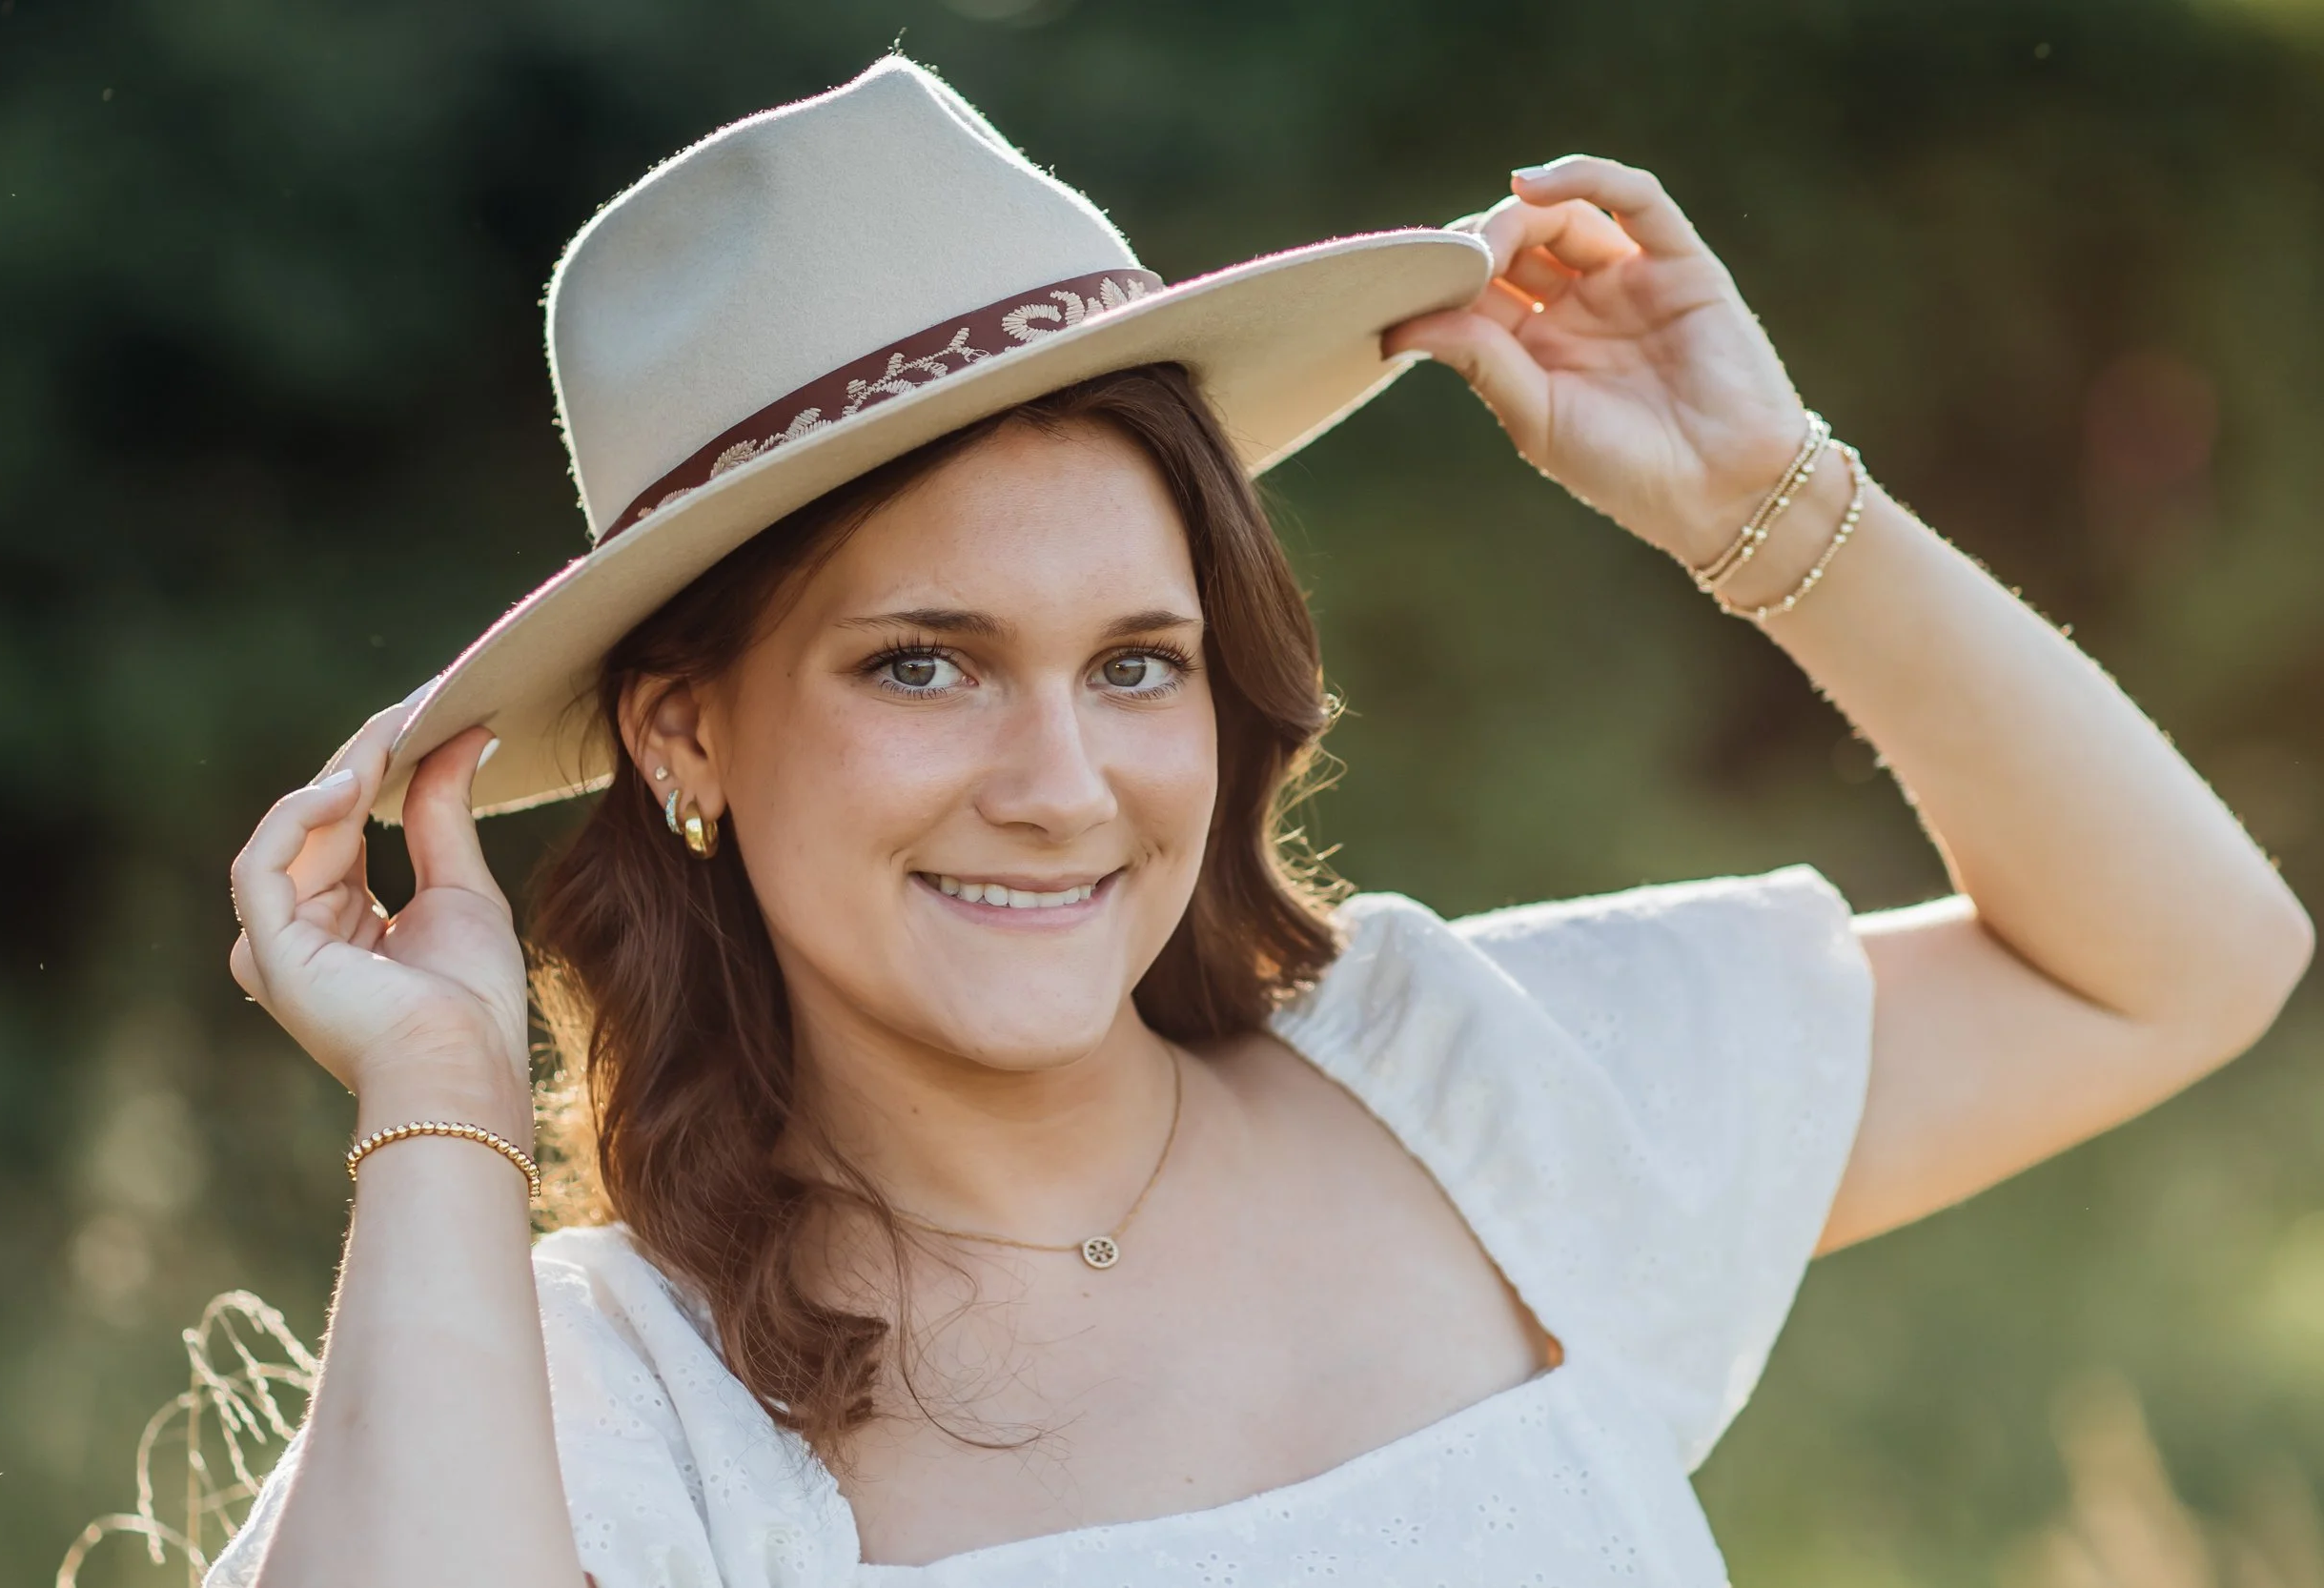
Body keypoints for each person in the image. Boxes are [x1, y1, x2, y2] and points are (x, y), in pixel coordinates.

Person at [207, 56, 2311, 1588]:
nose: (1059, 784)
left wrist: (1758, 503)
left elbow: (2184, 960)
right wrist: (438, 1095)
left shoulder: (1463, 1087)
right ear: (684, 732)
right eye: (920, 661)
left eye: (1135, 660)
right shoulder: (594, 1392)